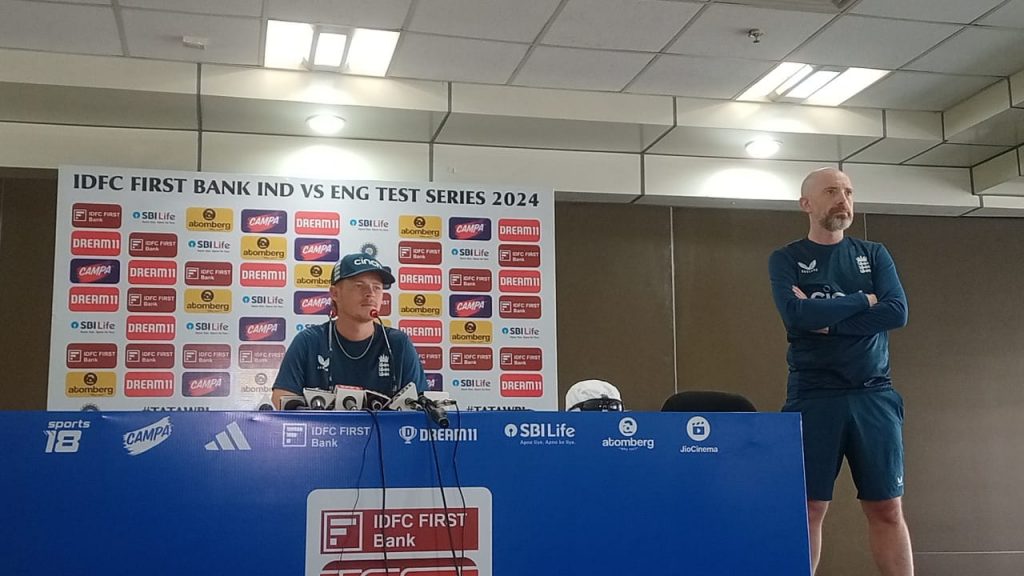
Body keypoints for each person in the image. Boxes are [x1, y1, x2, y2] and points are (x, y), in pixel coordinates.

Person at [768, 168, 912, 576]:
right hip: (814, 396)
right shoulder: (786, 258)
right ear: (806, 203)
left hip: (874, 395)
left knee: (887, 507)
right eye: (831, 191)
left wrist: (829, 322)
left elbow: (896, 312)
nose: (842, 200)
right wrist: (864, 300)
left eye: (848, 192)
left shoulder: (874, 254)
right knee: (810, 506)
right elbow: (797, 316)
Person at [271, 253, 427, 409]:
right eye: (359, 285)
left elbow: (421, 407)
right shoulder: (308, 342)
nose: (370, 293)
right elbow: (282, 400)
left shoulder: (398, 343)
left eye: (377, 287)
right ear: (335, 293)